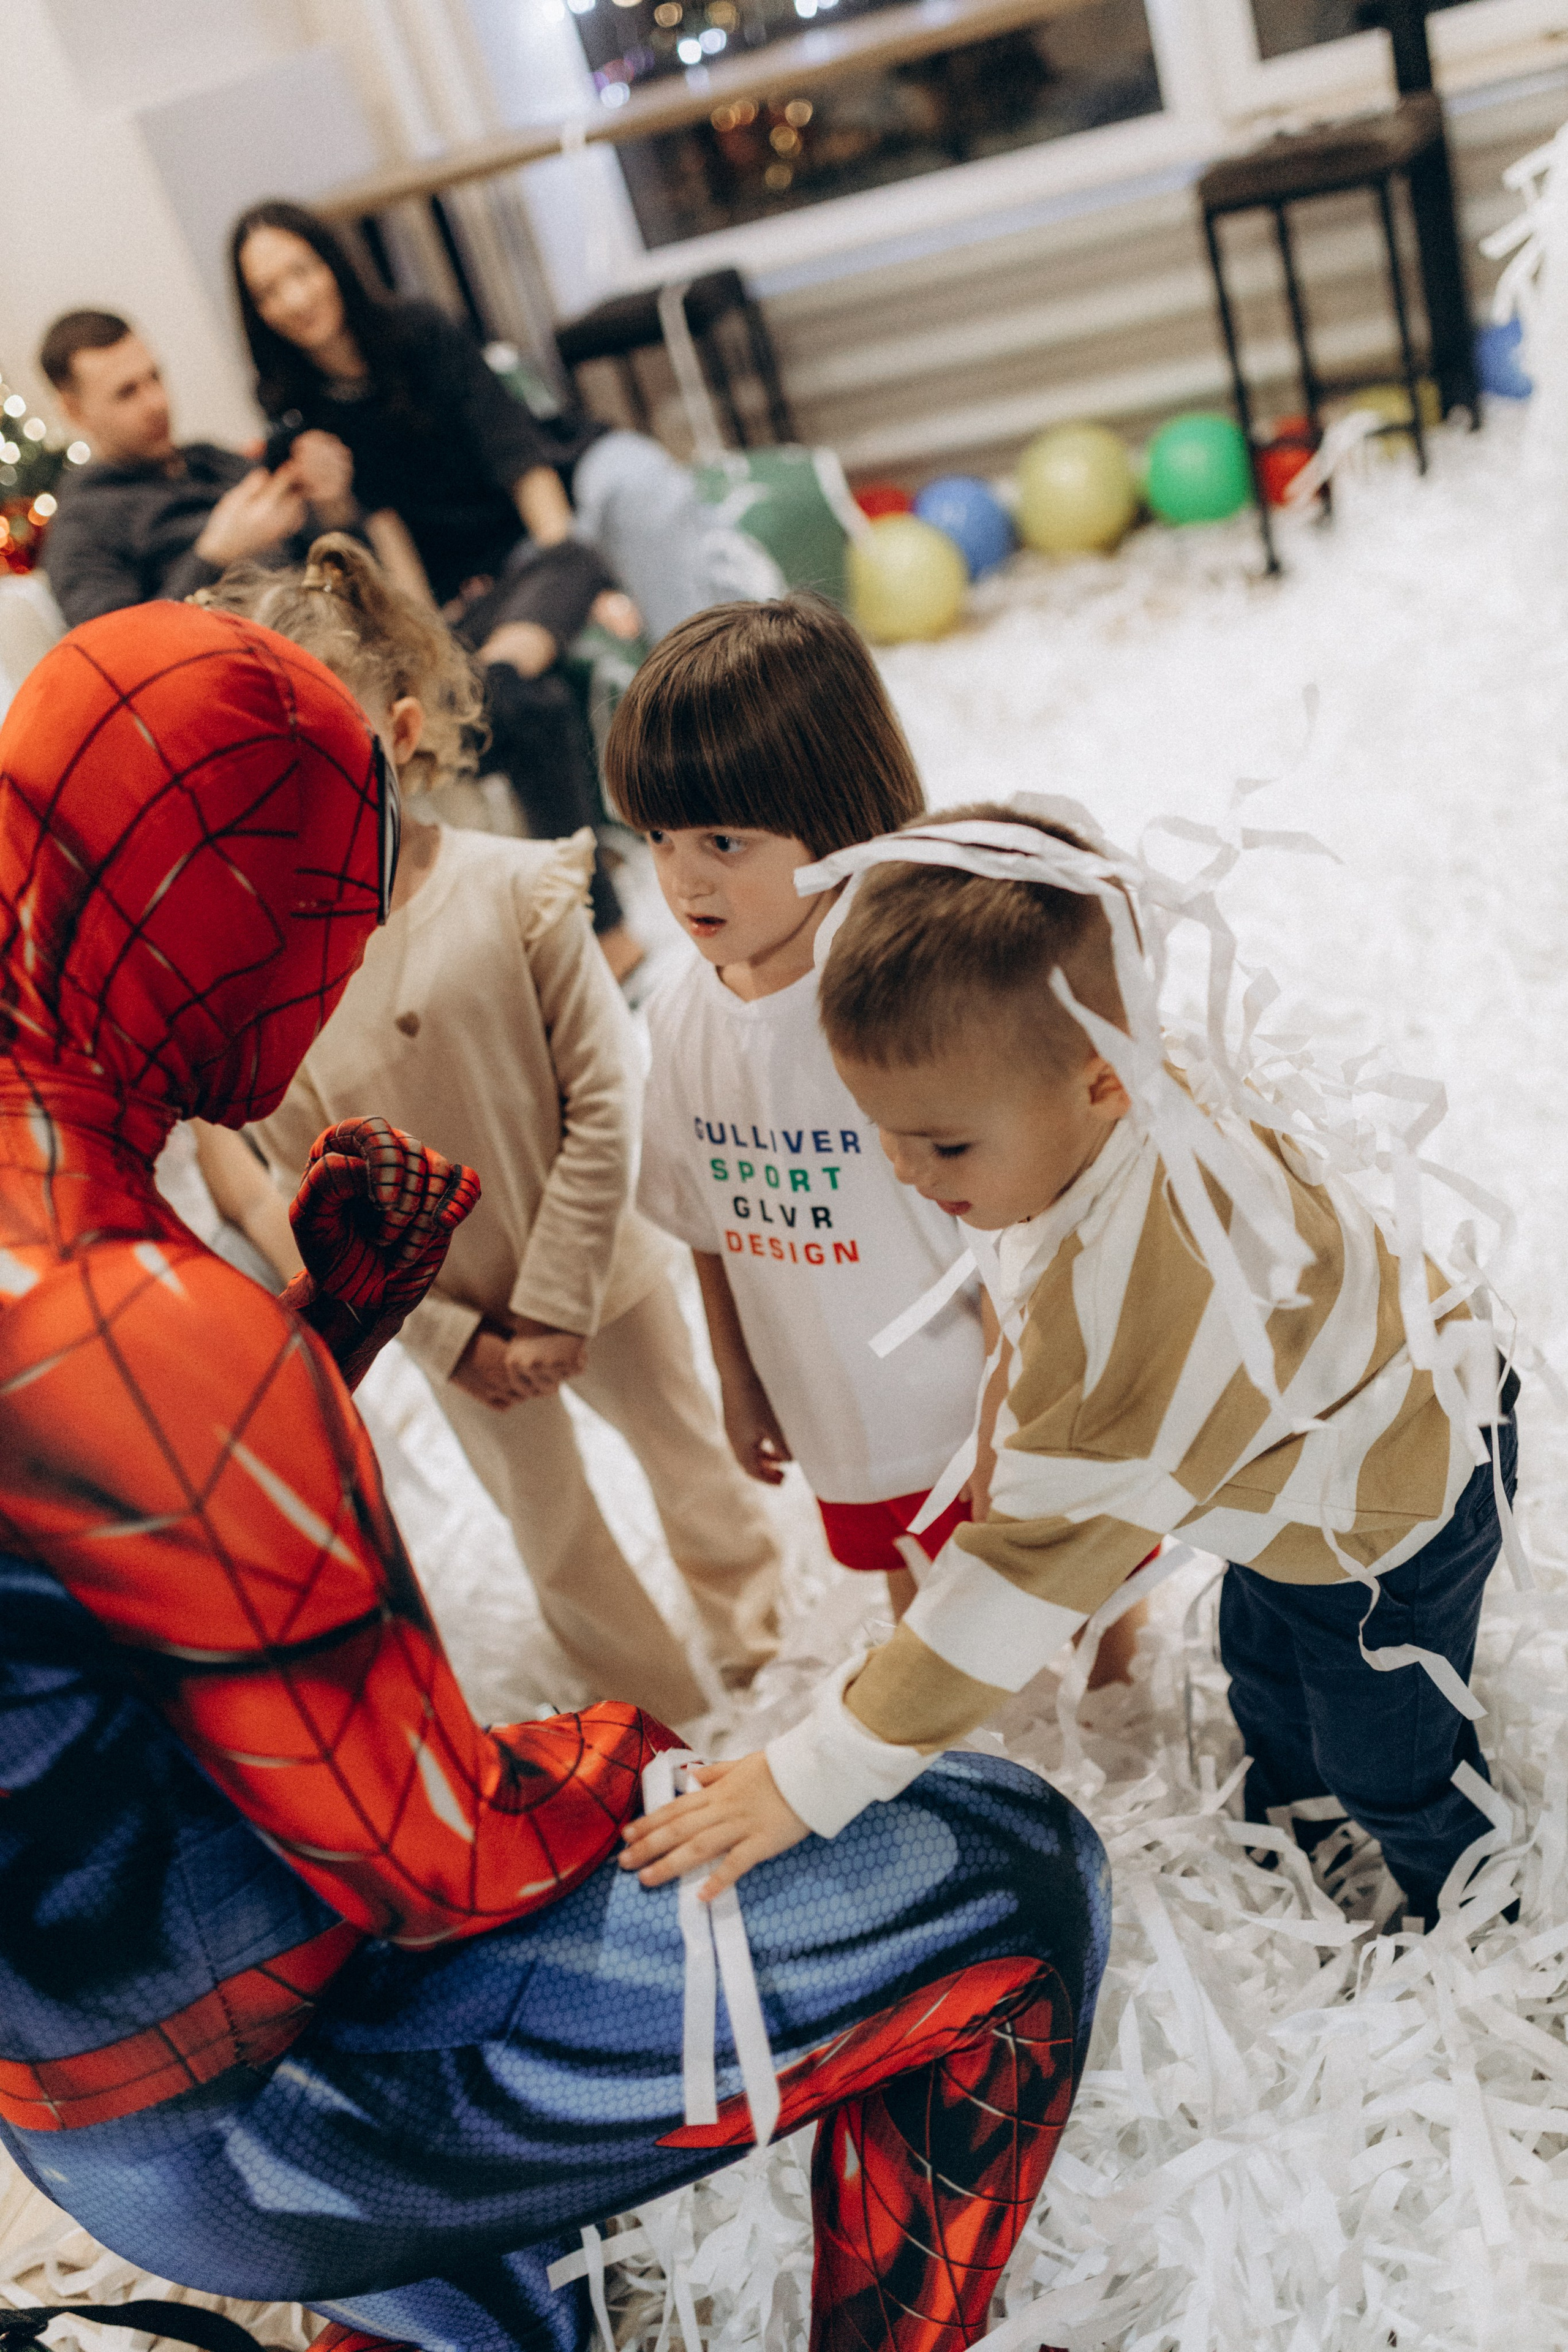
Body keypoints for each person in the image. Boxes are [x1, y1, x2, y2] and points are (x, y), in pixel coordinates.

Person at [0, 598, 1110, 2352]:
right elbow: (431, 1858)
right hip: (281, 2090)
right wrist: (622, 1752)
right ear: (211, 911)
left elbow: (98, 1575)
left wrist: (322, 1329)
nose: (332, 978)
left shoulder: (51, 1186)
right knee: (1017, 1873)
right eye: (320, 920)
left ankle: (435, 2311)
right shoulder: (143, 1325)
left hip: (84, 2053)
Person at [622, 797, 1517, 1938]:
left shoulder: (1137, 1304)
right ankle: (1300, 1825)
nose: (904, 1170)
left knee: (1387, 1744)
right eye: (883, 1129)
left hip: (1401, 1496)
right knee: (1262, 1663)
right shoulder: (1120, 1084)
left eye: (944, 1145)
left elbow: (1015, 1582)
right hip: (1307, 1459)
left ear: (1102, 1078)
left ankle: (1477, 1899)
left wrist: (810, 1773)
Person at [217, 535, 782, 1721]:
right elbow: (307, 1196)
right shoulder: (274, 982)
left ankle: (759, 1656)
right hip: (450, 1325)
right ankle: (652, 1715)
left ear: (403, 732)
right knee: (551, 1525)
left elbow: (602, 1096)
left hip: (601, 1275)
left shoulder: (519, 888)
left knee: (690, 1472)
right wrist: (455, 1338)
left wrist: (558, 1299)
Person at [227, 201, 760, 976]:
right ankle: (604, 930)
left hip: (533, 543)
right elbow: (375, 551)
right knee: (529, 694)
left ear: (333, 264)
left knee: (575, 558)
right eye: (270, 291)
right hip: (459, 598)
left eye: (301, 271)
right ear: (257, 313)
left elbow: (516, 450)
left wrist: (565, 572)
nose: (296, 299)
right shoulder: (295, 417)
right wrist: (356, 532)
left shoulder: (418, 333)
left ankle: (517, 669)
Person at [606, 595, 987, 1626]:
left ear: (838, 817)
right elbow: (705, 1228)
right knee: (915, 1597)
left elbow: (1009, 1226)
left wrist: (1027, 1407)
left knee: (1074, 1602)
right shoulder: (683, 1016)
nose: (682, 880)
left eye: (723, 840)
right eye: (658, 836)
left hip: (978, 1403)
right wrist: (738, 1377)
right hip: (836, 1405)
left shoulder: (907, 996)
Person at [37, 307, 350, 626]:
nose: (157, 402)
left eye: (155, 378)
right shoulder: (82, 529)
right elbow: (121, 657)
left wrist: (329, 503)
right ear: (74, 411)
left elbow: (328, 554)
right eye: (126, 393)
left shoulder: (209, 460)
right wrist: (215, 557)